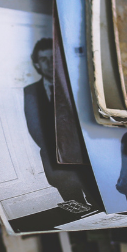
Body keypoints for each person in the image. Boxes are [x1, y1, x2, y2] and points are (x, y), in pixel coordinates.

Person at [23, 38, 87, 205]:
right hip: (56, 164)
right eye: (43, 60)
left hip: (85, 158)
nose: (49, 63)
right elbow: (35, 130)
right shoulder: (30, 92)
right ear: (37, 64)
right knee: (78, 209)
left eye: (53, 58)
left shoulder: (74, 83)